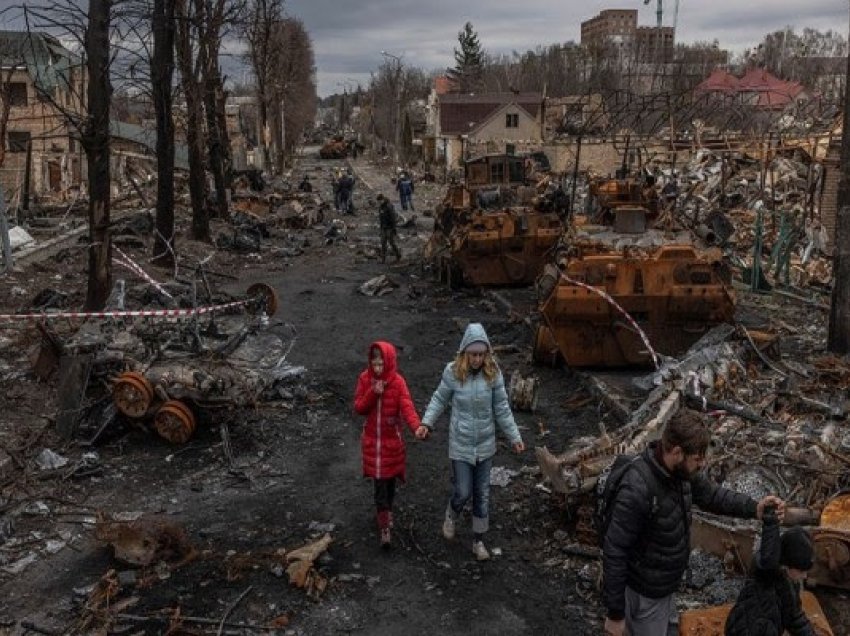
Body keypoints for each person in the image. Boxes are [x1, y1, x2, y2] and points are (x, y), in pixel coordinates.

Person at [602, 410, 785, 636]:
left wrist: (753, 507)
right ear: (677, 452)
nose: (703, 463)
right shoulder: (637, 488)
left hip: (663, 585)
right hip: (644, 593)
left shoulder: (680, 475)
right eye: (697, 458)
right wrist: (615, 614)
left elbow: (712, 496)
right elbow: (615, 551)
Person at [420, 323, 525, 561]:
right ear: (465, 352)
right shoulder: (453, 373)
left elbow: (502, 410)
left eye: (481, 354)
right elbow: (439, 399)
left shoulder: (493, 374)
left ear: (487, 354)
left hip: (485, 445)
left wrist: (515, 437)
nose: (477, 359)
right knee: (463, 491)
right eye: (473, 354)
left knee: (482, 495)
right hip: (461, 444)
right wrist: (426, 423)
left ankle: (478, 541)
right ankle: (452, 513)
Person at [354, 341, 428, 549]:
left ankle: (387, 512)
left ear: (389, 362)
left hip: (391, 443)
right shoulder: (364, 379)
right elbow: (359, 407)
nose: (377, 368)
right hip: (372, 444)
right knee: (379, 486)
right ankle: (384, 526)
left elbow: (407, 407)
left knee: (389, 483)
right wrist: (373, 392)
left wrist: (417, 427)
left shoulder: (398, 382)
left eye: (381, 364)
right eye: (374, 364)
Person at [725, 511, 815, 636]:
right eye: (801, 570)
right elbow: (767, 559)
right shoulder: (765, 574)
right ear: (787, 563)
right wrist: (771, 523)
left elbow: (794, 617)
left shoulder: (789, 581)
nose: (804, 576)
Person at [376, 194, 401, 263]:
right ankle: (383, 259)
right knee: (383, 243)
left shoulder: (389, 206)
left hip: (389, 228)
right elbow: (381, 218)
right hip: (384, 228)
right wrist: (381, 228)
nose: (379, 202)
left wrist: (394, 228)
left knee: (391, 243)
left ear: (383, 199)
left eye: (380, 201)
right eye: (378, 201)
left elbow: (393, 218)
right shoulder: (381, 207)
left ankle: (398, 255)